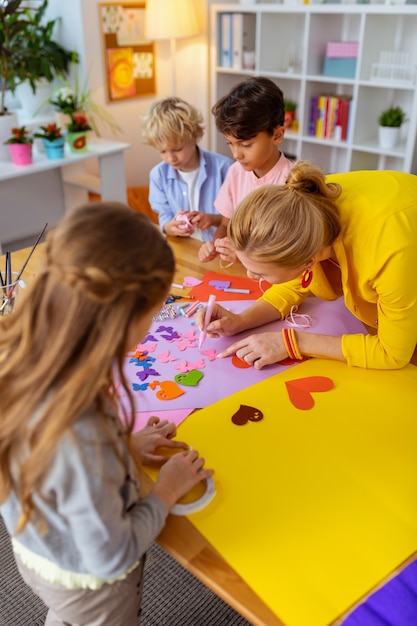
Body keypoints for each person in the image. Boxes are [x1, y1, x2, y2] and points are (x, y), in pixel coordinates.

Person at [0, 203, 213, 626]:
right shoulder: (83, 429)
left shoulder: (22, 355)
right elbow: (111, 555)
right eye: (154, 313)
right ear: (123, 320)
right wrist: (165, 492)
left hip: (39, 551)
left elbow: (54, 467)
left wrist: (126, 446)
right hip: (92, 588)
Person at [196, 161, 417, 370]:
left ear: (308, 260)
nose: (250, 276)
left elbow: (392, 353)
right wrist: (241, 320)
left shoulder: (389, 252)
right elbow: (293, 281)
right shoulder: (302, 205)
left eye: (260, 272)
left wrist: (292, 342)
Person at [199, 76, 294, 265]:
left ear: (277, 135)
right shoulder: (236, 172)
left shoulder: (292, 182)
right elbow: (226, 224)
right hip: (240, 273)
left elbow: (288, 252)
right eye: (230, 144)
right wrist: (217, 245)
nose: (236, 154)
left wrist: (244, 256)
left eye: (246, 145)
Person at [142, 97, 232, 242]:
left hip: (218, 247)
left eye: (177, 149)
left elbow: (239, 218)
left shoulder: (225, 168)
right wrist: (168, 227)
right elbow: (164, 215)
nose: (171, 158)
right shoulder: (158, 175)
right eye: (162, 151)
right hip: (183, 247)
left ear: (194, 137)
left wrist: (213, 219)